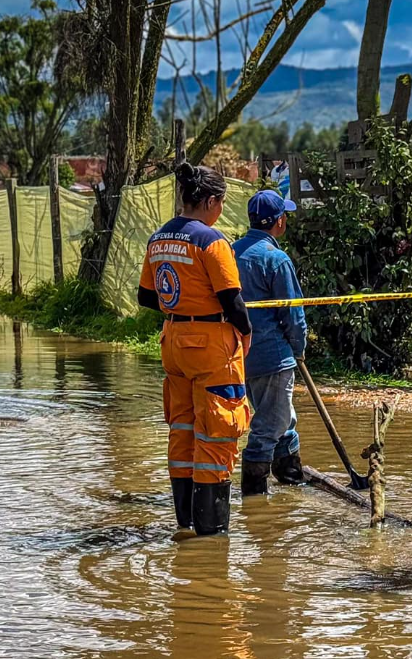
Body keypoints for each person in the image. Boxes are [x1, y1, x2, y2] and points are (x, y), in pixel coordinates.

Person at [137, 163, 252, 536]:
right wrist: (244, 332)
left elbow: (145, 296)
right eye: (221, 204)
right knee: (218, 432)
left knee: (182, 429)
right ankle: (211, 534)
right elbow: (232, 300)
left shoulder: (158, 239)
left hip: (173, 342)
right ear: (212, 201)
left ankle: (183, 521)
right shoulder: (211, 241)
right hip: (211, 346)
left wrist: (181, 307)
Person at [232, 190, 308, 496]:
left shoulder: (230, 252)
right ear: (279, 221)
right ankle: (255, 499)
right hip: (273, 356)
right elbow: (293, 313)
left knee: (282, 418)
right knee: (268, 426)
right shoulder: (276, 259)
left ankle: (291, 475)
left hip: (240, 356)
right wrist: (299, 348)